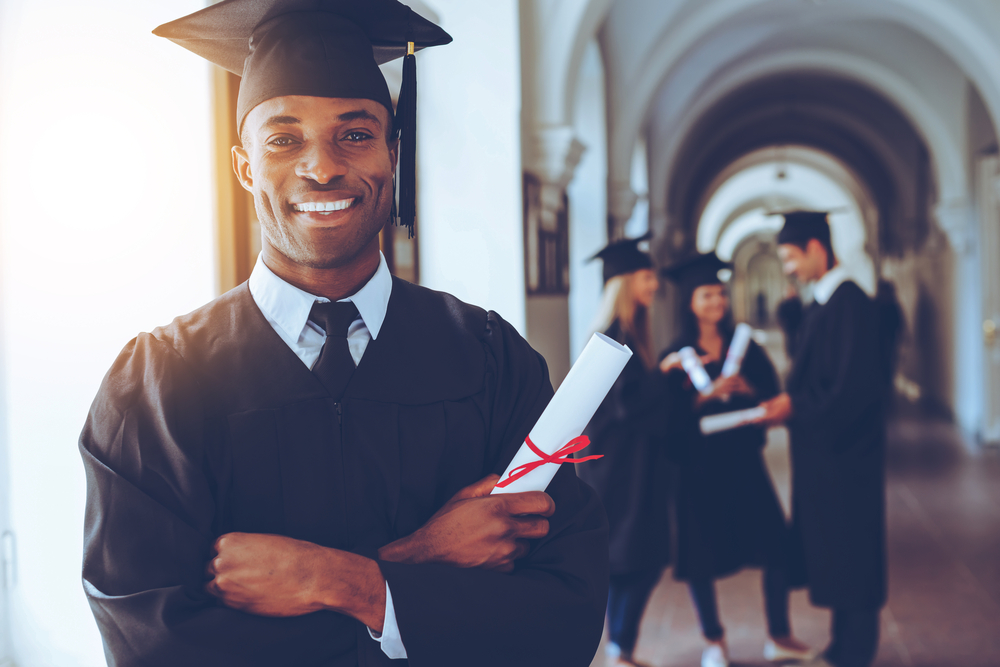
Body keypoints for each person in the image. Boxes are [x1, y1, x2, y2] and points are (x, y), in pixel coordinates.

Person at [78, 2, 609, 665]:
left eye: (354, 134)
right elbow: (153, 647)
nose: (321, 166)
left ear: (394, 150)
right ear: (244, 166)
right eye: (283, 138)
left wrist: (336, 580)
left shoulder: (492, 361)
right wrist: (416, 564)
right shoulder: (156, 385)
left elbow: (563, 620)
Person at [659, 252, 812, 667]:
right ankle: (714, 641)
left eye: (720, 294)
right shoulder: (675, 355)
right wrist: (701, 398)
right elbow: (664, 418)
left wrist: (748, 389)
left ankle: (779, 634)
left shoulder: (745, 346)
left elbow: (770, 392)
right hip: (698, 466)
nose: (716, 303)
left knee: (775, 546)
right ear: (690, 301)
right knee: (700, 556)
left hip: (742, 460)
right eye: (707, 295)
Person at [755, 211, 886, 667]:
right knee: (837, 553)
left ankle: (855, 652)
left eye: (792, 256)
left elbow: (851, 389)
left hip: (848, 459)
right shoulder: (825, 302)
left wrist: (794, 406)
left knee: (853, 555)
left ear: (816, 248)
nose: (789, 267)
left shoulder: (849, 303)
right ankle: (841, 645)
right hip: (828, 458)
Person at [578, 237, 674, 667]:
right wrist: (667, 377)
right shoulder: (614, 337)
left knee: (633, 559)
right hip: (620, 470)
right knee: (634, 559)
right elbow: (628, 404)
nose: (654, 284)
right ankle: (619, 650)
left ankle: (620, 648)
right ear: (626, 282)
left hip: (629, 464)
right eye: (647, 276)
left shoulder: (629, 333)